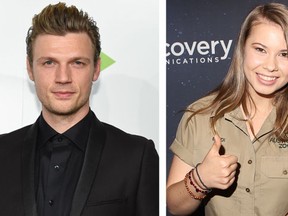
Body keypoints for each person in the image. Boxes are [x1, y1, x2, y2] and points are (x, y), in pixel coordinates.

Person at [0, 2, 158, 216]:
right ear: (30, 68)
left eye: (77, 63)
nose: (63, 78)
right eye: (49, 63)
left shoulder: (136, 157)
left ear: (96, 69)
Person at [167, 2, 288, 216]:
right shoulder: (202, 115)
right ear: (242, 48)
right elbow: (174, 206)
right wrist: (200, 179)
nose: (271, 66)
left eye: (284, 54)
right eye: (260, 49)